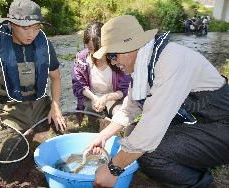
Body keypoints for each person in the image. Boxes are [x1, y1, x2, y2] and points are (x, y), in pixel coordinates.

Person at [87, 15, 229, 188]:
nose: (112, 63)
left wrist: (113, 169)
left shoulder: (171, 59)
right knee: (133, 134)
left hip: (221, 123)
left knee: (150, 153)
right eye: (109, 58)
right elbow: (129, 110)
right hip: (201, 122)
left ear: (131, 46)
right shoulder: (142, 67)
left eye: (112, 55)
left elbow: (150, 131)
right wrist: (103, 135)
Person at [0, 0, 66, 136]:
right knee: (6, 151)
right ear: (11, 24)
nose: (31, 34)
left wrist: (55, 106)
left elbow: (56, 77)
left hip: (41, 106)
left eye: (36, 28)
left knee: (62, 140)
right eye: (25, 28)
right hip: (10, 111)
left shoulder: (45, 46)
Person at [72, 22, 131, 120]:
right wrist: (94, 98)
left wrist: (106, 98)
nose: (95, 53)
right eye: (91, 49)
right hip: (92, 98)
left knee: (119, 115)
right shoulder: (82, 59)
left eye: (99, 49)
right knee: (91, 115)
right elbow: (78, 85)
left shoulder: (118, 58)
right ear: (86, 45)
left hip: (115, 98)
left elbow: (125, 89)